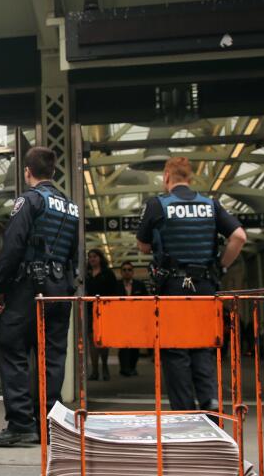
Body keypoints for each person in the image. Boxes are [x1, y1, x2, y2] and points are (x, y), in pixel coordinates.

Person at [136, 157, 246, 414]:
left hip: (173, 286)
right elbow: (239, 237)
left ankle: (184, 412)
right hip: (206, 286)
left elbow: (143, 245)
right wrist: (220, 266)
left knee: (175, 351)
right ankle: (211, 405)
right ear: (190, 178)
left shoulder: (157, 205)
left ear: (166, 178)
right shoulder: (211, 205)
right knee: (203, 347)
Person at [0, 147, 79, 447]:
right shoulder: (70, 206)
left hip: (30, 286)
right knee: (52, 355)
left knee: (13, 348)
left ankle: (19, 424)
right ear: (52, 172)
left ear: (28, 171)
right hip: (60, 289)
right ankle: (49, 424)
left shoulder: (30, 200)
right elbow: (76, 252)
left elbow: (13, 246)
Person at [84, 248, 119, 381]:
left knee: (103, 341)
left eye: (95, 256)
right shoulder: (86, 274)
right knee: (91, 341)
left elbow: (114, 292)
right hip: (89, 310)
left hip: (105, 310)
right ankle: (94, 371)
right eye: (90, 257)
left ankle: (104, 367)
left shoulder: (108, 273)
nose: (92, 259)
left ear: (100, 258)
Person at [116, 261, 149, 378]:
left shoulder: (139, 285)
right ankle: (124, 368)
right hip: (121, 319)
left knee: (135, 345)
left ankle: (132, 367)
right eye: (124, 270)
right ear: (121, 272)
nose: (127, 272)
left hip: (136, 319)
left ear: (132, 272)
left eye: (129, 269)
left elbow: (146, 301)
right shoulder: (117, 285)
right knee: (123, 345)